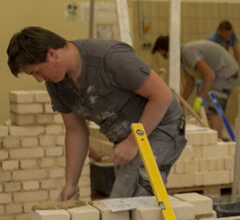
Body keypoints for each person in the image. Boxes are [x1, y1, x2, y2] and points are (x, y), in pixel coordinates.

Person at [7, 26, 186, 199]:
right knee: (129, 203)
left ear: (52, 54)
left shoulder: (110, 57)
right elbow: (75, 131)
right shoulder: (57, 85)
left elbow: (162, 96)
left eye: (37, 71)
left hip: (161, 127)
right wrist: (71, 184)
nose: (38, 79)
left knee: (125, 203)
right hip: (126, 136)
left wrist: (132, 142)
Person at [153, 37, 238, 141]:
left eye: (165, 55)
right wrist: (181, 102)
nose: (166, 59)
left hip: (226, 73)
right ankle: (214, 139)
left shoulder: (188, 52)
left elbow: (209, 75)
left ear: (171, 49)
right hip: (219, 75)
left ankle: (217, 142)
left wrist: (199, 98)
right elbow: (190, 83)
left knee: (213, 111)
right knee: (208, 111)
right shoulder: (183, 59)